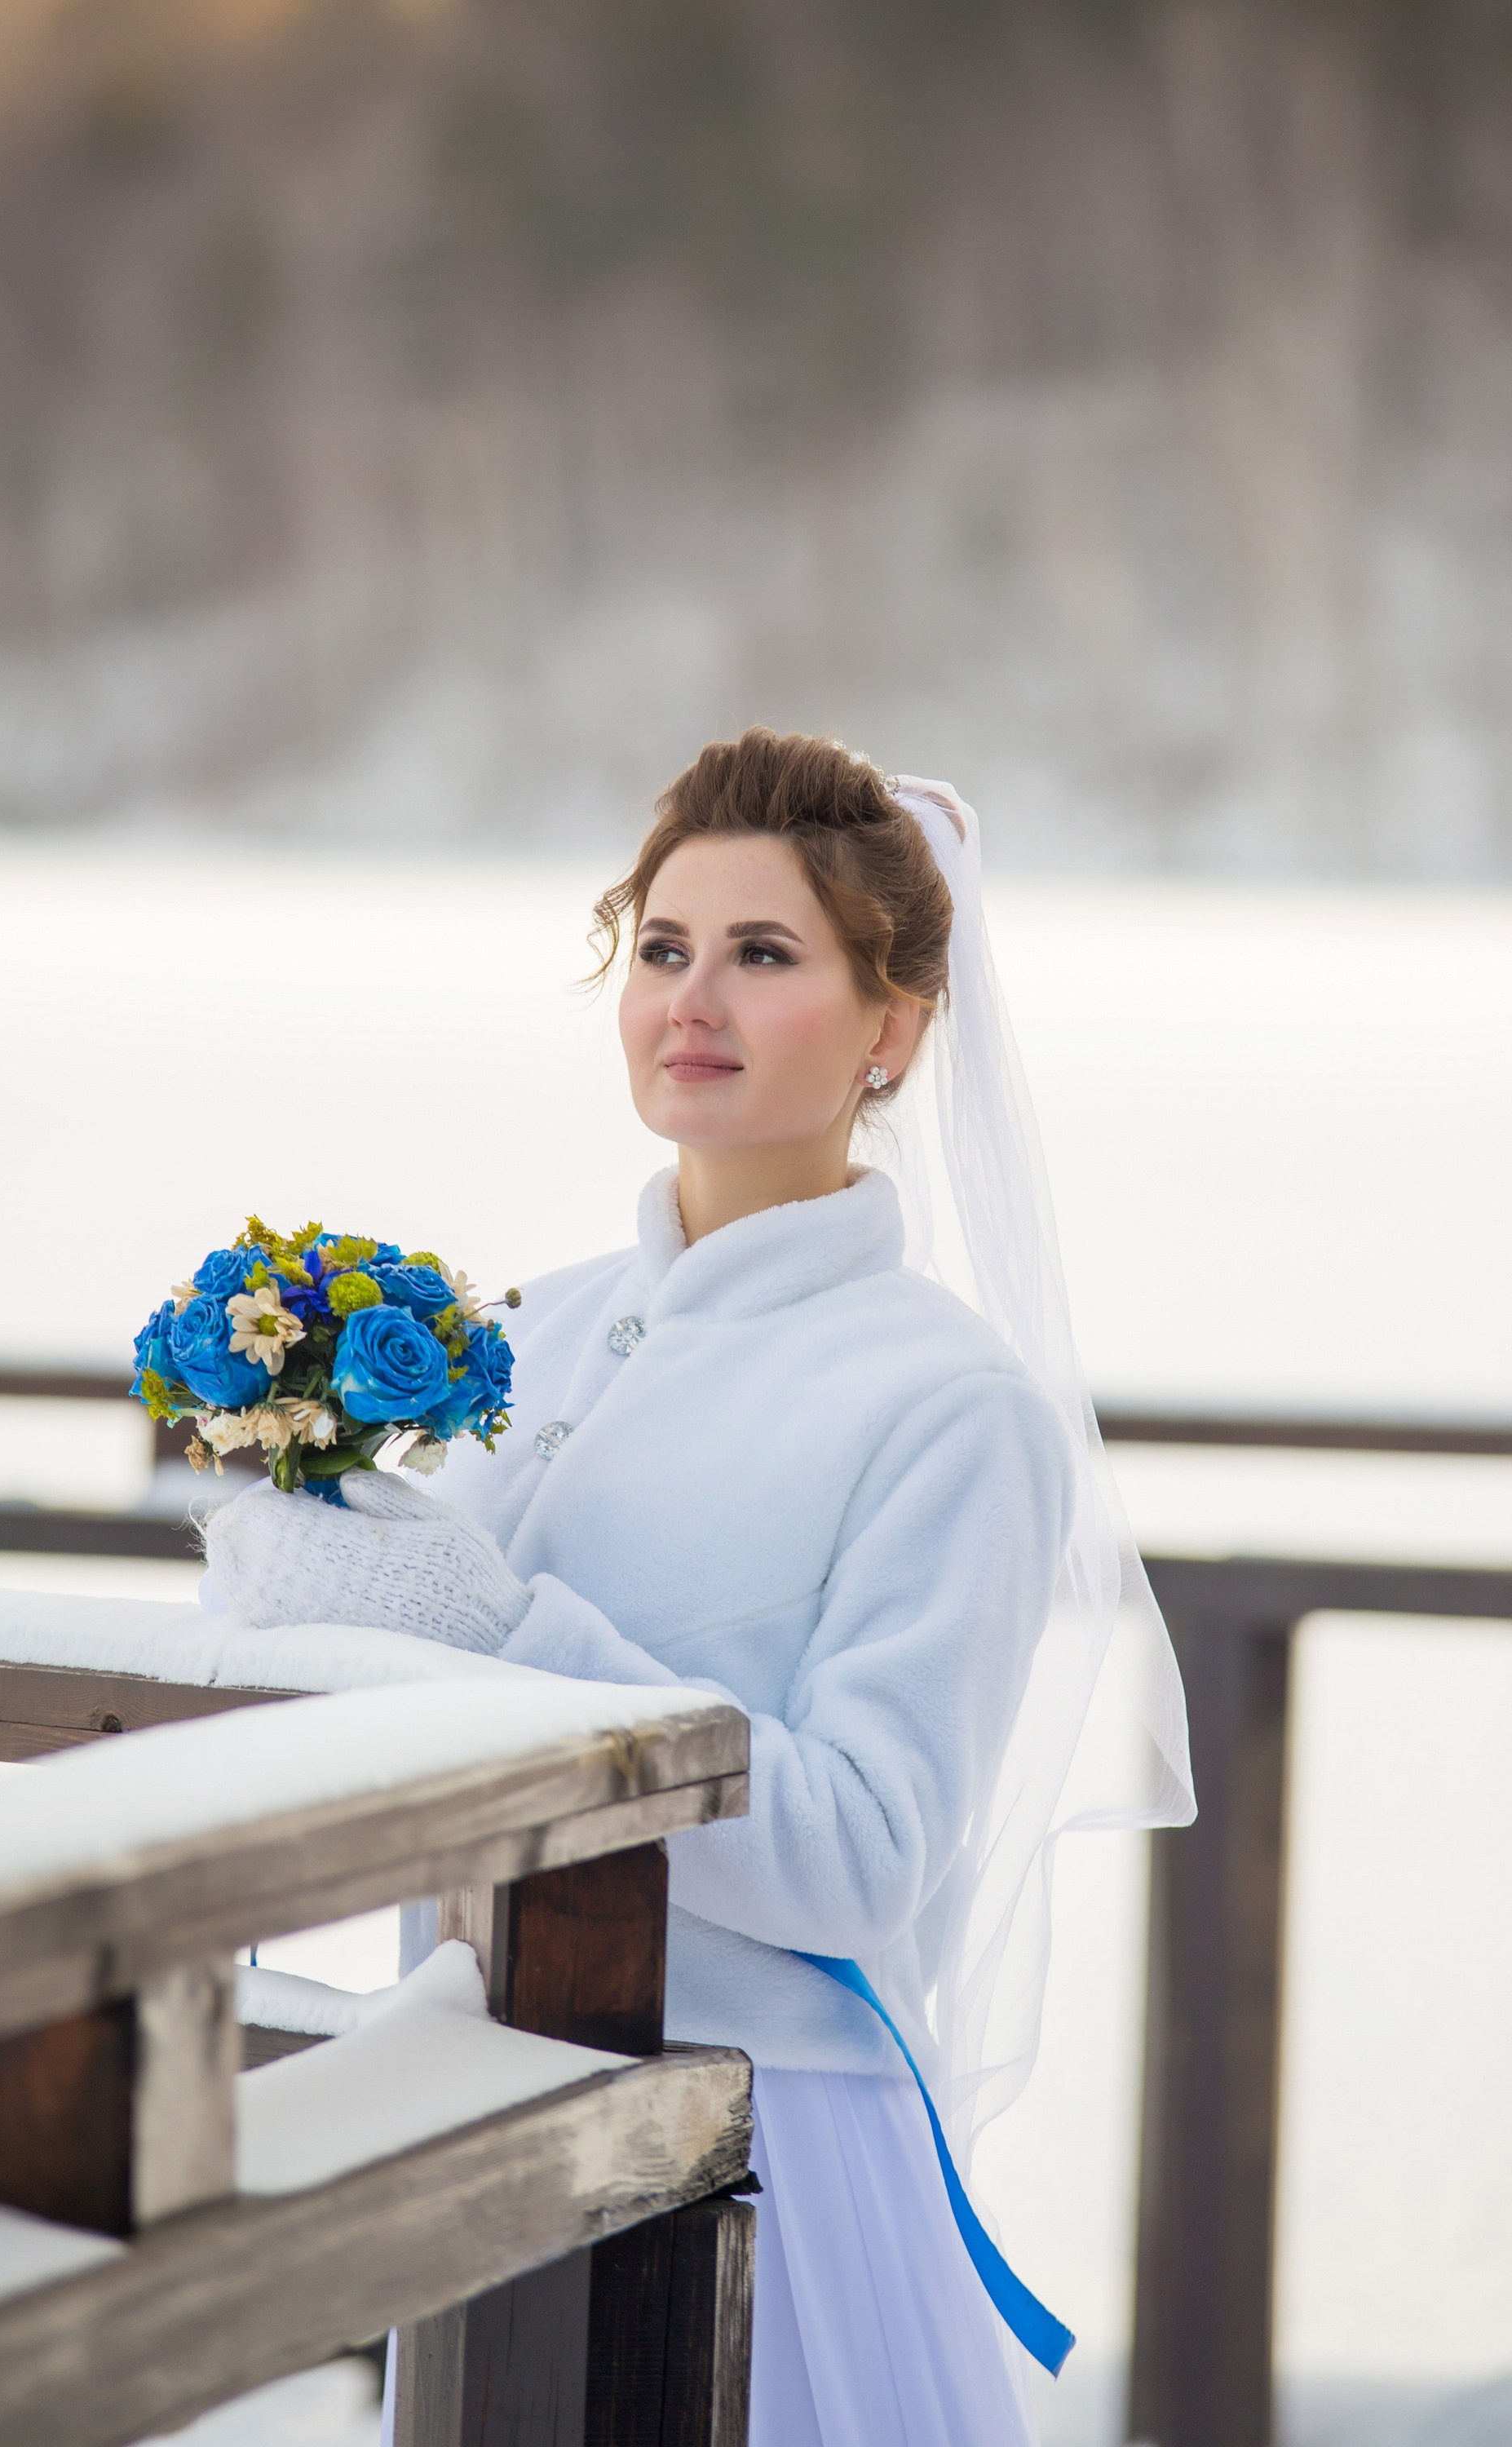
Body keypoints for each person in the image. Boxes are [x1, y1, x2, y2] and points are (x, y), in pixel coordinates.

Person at [204, 728, 1192, 2446]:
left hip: (750, 2155)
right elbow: (405, 1710)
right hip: (480, 2107)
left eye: (763, 956)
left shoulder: (945, 1406)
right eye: (663, 949)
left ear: (889, 1027)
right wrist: (296, 1572)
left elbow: (870, 1857)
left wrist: (514, 1644)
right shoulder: (520, 1330)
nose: (693, 1001)